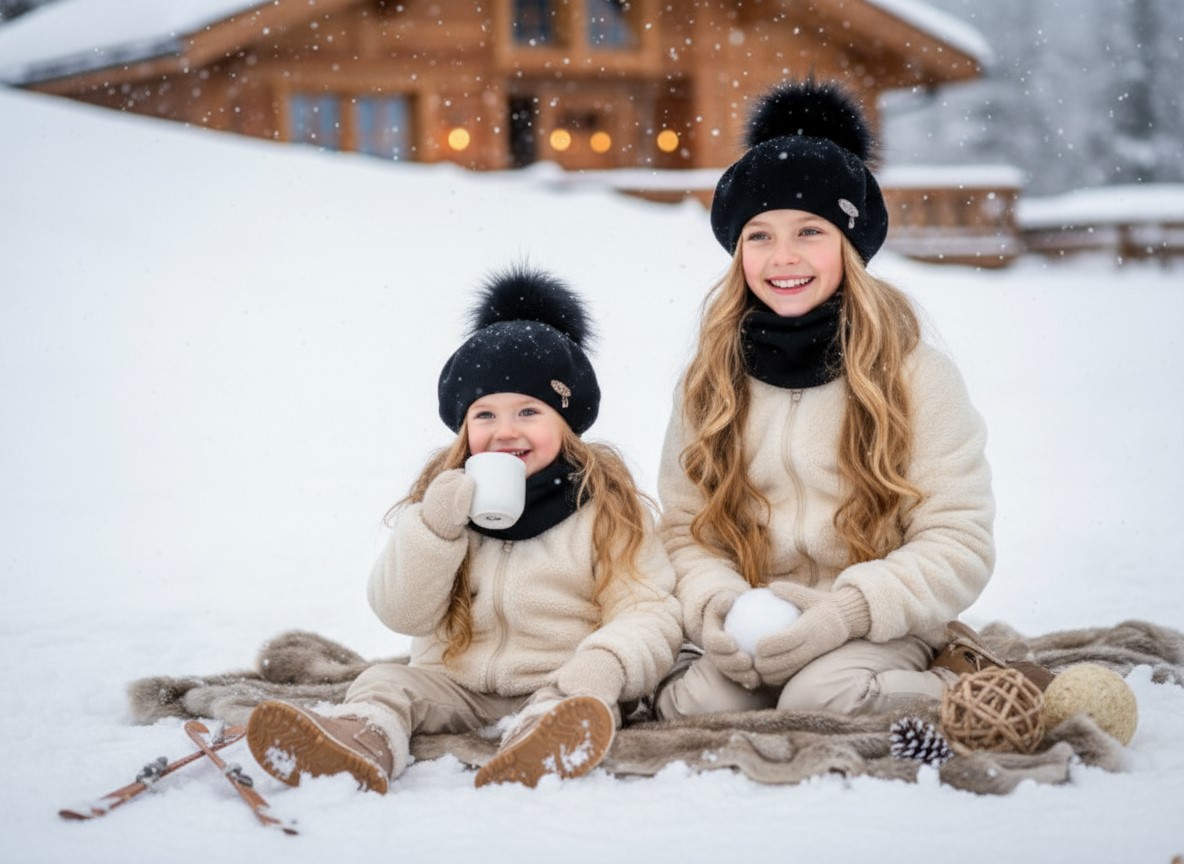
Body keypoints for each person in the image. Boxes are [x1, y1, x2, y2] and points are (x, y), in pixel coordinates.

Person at [246, 267, 682, 793]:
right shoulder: (443, 505)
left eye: (528, 411)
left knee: (575, 704)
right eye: (485, 415)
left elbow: (648, 610)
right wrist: (434, 531)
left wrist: (602, 668)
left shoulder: (605, 510)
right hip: (453, 685)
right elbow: (402, 613)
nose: (505, 431)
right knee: (384, 682)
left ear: (566, 422)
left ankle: (545, 742)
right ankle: (357, 744)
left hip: (563, 681)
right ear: (463, 428)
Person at [654, 79, 995, 721]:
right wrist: (718, 607)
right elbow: (683, 529)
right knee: (696, 706)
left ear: (848, 244)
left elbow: (959, 539)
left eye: (809, 231)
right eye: (760, 235)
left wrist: (847, 611)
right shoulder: (710, 380)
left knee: (821, 698)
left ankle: (970, 688)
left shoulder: (916, 374)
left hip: (880, 622)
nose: (782, 257)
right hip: (759, 622)